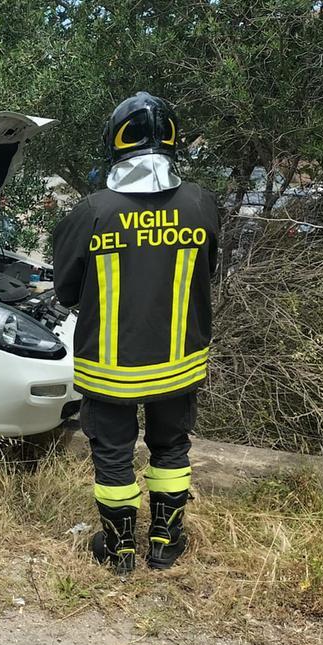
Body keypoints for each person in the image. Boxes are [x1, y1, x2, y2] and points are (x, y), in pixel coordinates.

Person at [51, 92, 220, 573]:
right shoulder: (201, 203)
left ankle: (120, 548)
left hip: (109, 368)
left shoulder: (91, 212)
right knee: (171, 447)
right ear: (172, 140)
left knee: (113, 456)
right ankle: (166, 543)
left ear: (115, 143)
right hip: (180, 363)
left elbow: (65, 292)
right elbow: (209, 270)